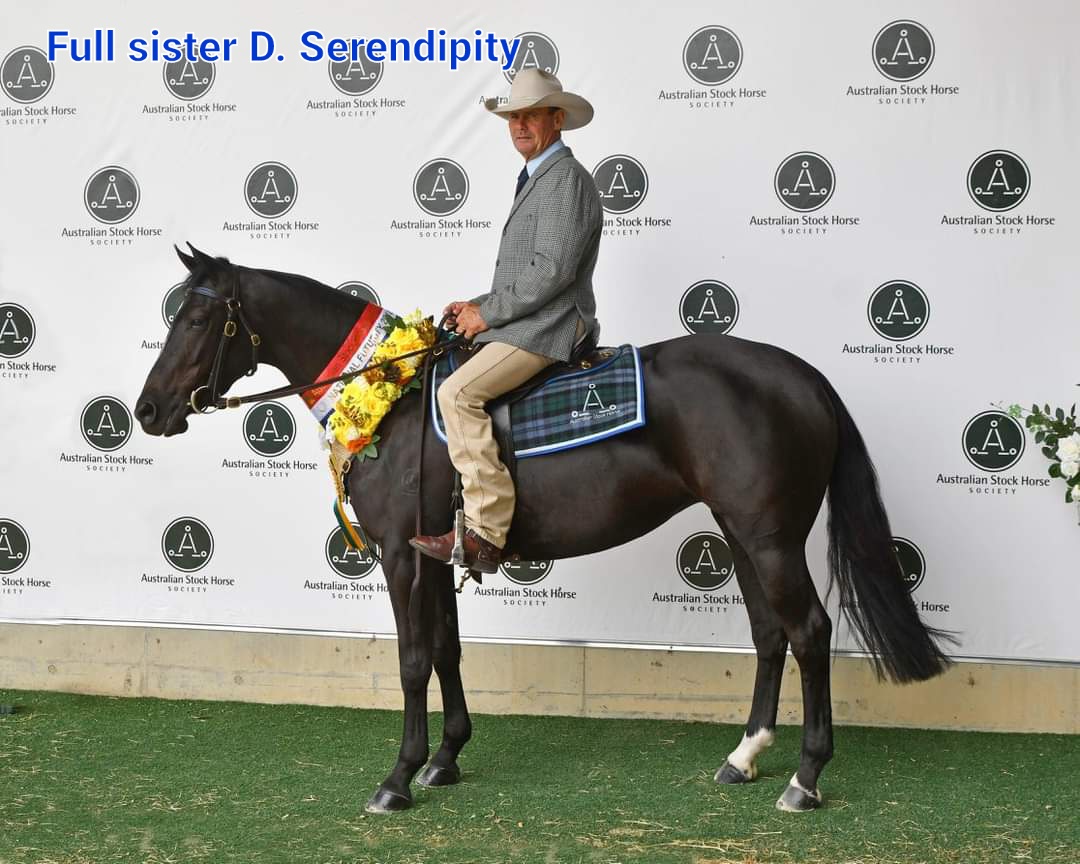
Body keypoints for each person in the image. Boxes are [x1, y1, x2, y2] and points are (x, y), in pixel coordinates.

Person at [410, 69, 603, 573]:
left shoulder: (565, 179)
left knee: (457, 394)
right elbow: (527, 271)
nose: (519, 125)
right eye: (513, 117)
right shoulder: (539, 176)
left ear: (556, 119)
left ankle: (485, 533)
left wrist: (488, 314)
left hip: (553, 324)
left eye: (531, 115)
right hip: (530, 318)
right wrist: (475, 305)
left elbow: (552, 271)